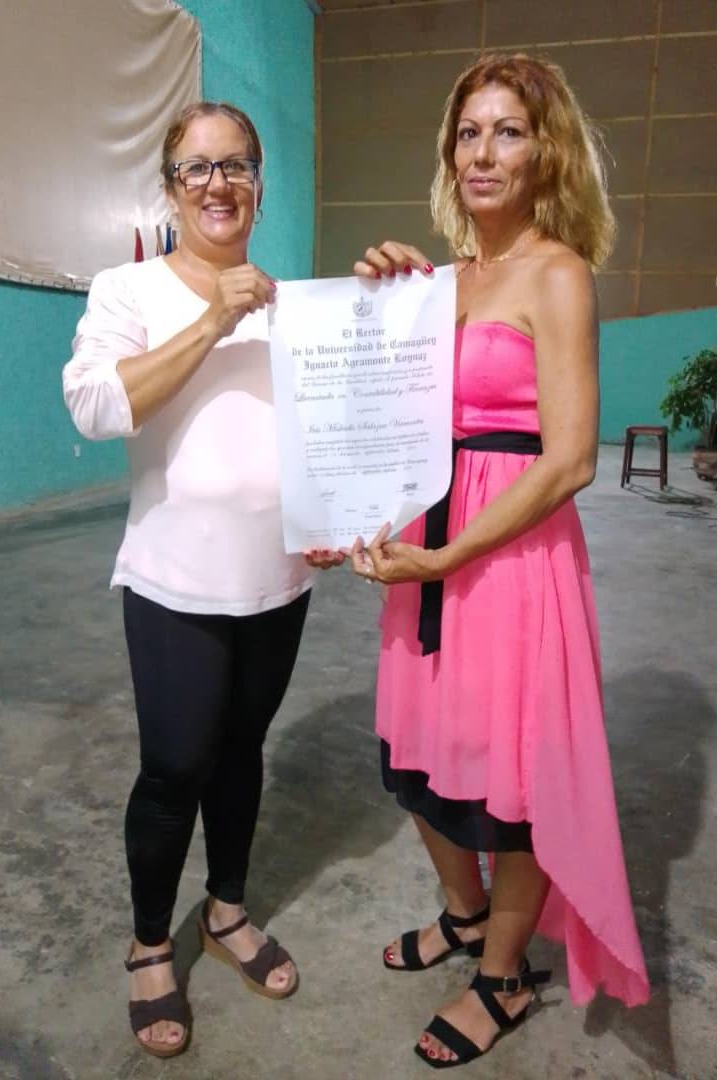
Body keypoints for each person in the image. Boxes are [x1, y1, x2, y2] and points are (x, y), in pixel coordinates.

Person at [309, 52, 649, 1069]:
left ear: (547, 151)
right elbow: (379, 419)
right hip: (427, 544)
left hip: (509, 558)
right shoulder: (433, 283)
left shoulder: (558, 273)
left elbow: (571, 459)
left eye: (509, 131)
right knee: (416, 758)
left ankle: (503, 973)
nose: (484, 152)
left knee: (514, 779)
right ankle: (464, 915)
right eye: (468, 132)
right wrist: (374, 308)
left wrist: (451, 554)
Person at [63, 101, 316, 1058]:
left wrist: (333, 519)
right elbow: (96, 406)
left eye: (236, 164)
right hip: (174, 581)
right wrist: (215, 317)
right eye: (197, 168)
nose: (218, 183)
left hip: (279, 578)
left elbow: (323, 434)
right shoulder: (128, 289)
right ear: (170, 190)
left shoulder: (294, 306)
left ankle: (226, 910)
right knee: (175, 767)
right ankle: (148, 943)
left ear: (259, 183)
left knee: (242, 751)